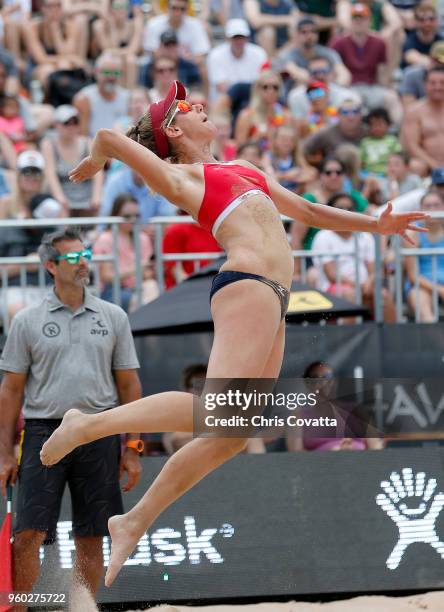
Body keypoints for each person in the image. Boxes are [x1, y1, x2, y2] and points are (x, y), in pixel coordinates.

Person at [38, 80, 427, 586]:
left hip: (273, 294)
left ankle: (132, 520)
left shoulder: (244, 168)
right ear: (174, 130)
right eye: (186, 106)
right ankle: (86, 426)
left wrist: (377, 226)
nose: (198, 103)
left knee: (231, 436)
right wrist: (95, 160)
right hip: (247, 284)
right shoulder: (184, 178)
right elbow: (112, 136)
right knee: (221, 411)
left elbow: (308, 212)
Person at [0, 227, 143, 603]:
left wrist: (132, 446)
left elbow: (129, 387)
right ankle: (24, 609)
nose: (83, 264)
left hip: (98, 430)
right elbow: (11, 390)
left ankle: (82, 606)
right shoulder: (26, 320)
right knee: (28, 532)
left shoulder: (113, 316)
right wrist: (3, 452)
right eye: (73, 258)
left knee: (92, 533)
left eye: (86, 255)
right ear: (50, 265)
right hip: (44, 432)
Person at [312, 192, 396, 321]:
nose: (345, 212)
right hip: (334, 289)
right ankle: (351, 340)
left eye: (349, 209)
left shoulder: (365, 236)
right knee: (350, 296)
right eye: (340, 208)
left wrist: (369, 282)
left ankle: (392, 338)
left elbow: (373, 269)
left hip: (364, 287)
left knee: (383, 295)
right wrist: (358, 285)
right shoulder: (323, 237)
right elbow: (332, 275)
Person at [330, 2, 402, 124]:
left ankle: (395, 133)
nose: (358, 22)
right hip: (347, 88)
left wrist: (386, 84)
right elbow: (333, 70)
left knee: (392, 98)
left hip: (371, 87)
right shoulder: (338, 42)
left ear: (369, 21)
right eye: (355, 18)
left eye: (362, 18)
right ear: (350, 21)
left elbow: (382, 72)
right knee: (351, 102)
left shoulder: (378, 42)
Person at [94, 194, 154, 311]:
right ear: (115, 215)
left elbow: (147, 274)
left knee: (152, 286)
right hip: (113, 289)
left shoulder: (143, 238)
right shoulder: (106, 239)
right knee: (135, 299)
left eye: (137, 216)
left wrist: (142, 272)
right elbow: (107, 276)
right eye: (127, 216)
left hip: (138, 287)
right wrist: (136, 268)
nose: (133, 220)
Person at [41, 104, 104, 216]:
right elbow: (50, 174)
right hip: (62, 198)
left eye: (75, 122)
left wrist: (96, 197)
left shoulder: (88, 142)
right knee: (57, 210)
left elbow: (98, 173)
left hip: (88, 198)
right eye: (66, 123)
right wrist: (60, 199)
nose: (71, 127)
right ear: (56, 125)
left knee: (101, 208)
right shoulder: (49, 144)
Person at [276, 17, 351, 88]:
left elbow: (344, 74)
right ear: (296, 35)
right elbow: (296, 73)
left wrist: (336, 85)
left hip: (326, 91)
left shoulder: (327, 53)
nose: (309, 35)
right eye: (304, 32)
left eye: (313, 31)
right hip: (299, 93)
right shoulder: (288, 55)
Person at [404, 190, 444, 322]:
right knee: (421, 304)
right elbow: (413, 276)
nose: (432, 209)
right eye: (428, 206)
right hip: (421, 286)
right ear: (420, 210)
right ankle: (434, 341)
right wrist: (439, 289)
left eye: (436, 205)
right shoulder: (413, 234)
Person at [206, 18, 267, 103]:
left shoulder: (259, 53)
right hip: (227, 102)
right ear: (227, 38)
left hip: (252, 100)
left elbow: (264, 82)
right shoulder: (215, 55)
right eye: (235, 37)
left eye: (241, 37)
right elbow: (221, 88)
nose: (238, 41)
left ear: (247, 38)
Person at [74, 53, 129, 138]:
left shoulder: (127, 97)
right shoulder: (84, 98)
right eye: (106, 72)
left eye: (116, 73)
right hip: (93, 147)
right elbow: (82, 136)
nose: (111, 77)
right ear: (96, 72)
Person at [402, 65, 444, 175]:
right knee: (416, 165)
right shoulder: (414, 111)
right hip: (427, 164)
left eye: (442, 83)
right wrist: (435, 166)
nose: (438, 87)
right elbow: (413, 146)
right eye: (433, 83)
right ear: (425, 85)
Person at [359, 107, 402, 176]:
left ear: (388, 125)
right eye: (374, 125)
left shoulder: (392, 140)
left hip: (388, 173)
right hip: (368, 174)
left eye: (380, 124)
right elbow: (360, 161)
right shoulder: (365, 142)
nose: (377, 128)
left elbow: (398, 156)